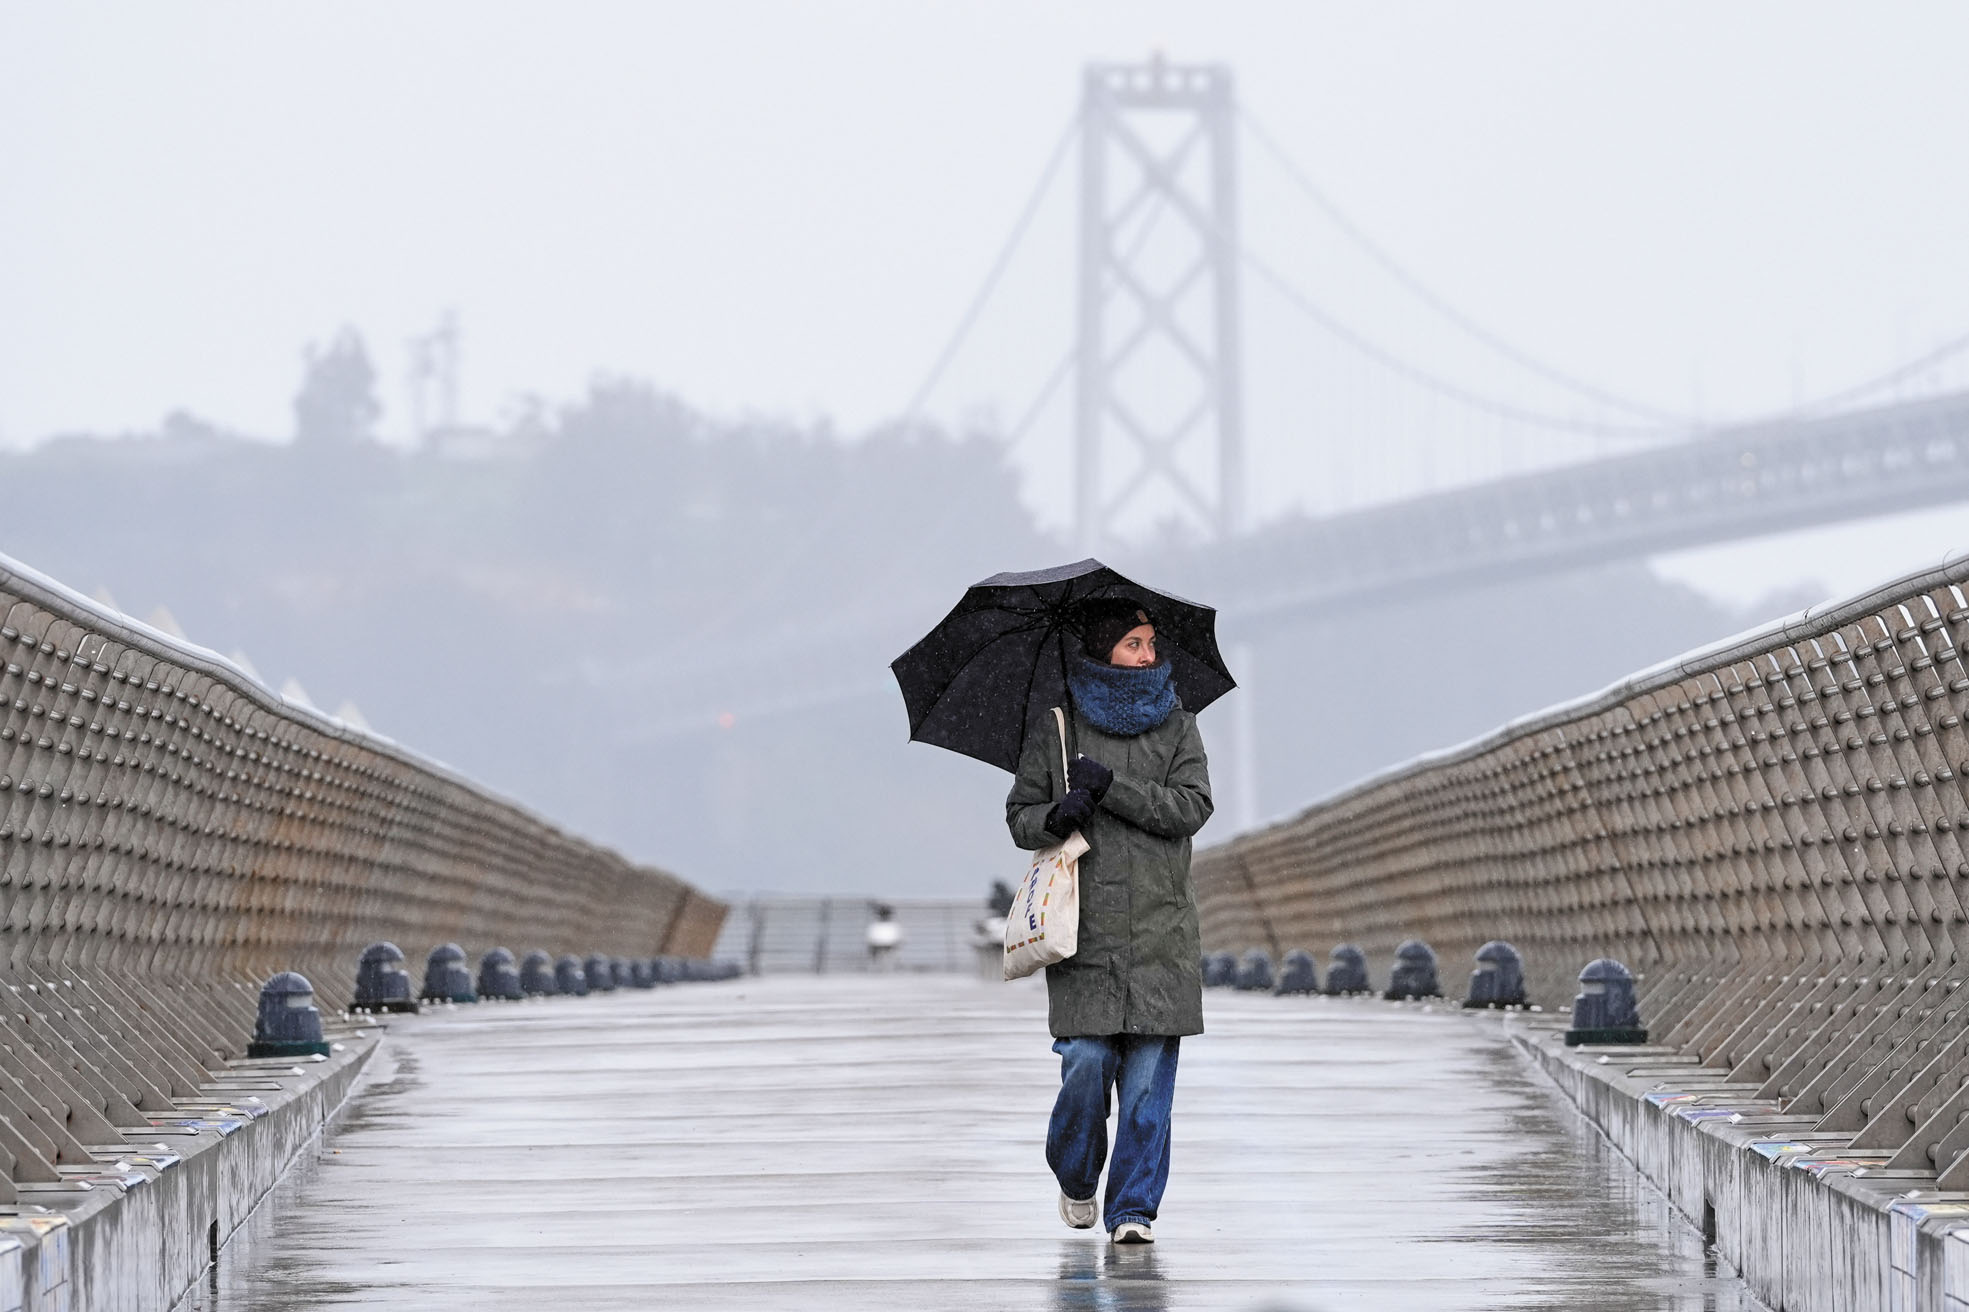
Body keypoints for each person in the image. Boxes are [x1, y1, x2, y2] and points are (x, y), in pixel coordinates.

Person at [1003, 596, 1213, 1245]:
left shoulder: (1179, 726)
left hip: (1161, 936)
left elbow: (1191, 807)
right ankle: (1074, 1175)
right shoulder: (1057, 727)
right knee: (1085, 1067)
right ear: (1102, 651)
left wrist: (1109, 787)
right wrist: (1055, 816)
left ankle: (1132, 1211)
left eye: (1151, 643)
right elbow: (1019, 817)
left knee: (1149, 1089)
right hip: (1081, 938)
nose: (1147, 655)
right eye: (1133, 644)